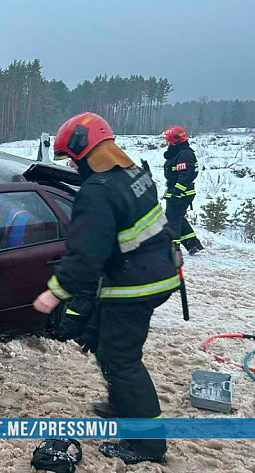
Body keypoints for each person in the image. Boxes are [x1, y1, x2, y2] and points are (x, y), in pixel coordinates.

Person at [33, 112, 180, 465]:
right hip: (157, 270)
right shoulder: (133, 174)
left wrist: (54, 292)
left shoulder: (97, 191)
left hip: (135, 284)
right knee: (106, 346)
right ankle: (122, 405)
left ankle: (147, 444)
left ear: (84, 152)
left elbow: (85, 256)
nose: (72, 164)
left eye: (72, 158)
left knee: (122, 359)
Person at [161, 126, 204, 254]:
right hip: (177, 192)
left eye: (167, 140)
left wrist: (177, 192)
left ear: (175, 140)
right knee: (178, 218)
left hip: (181, 193)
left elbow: (186, 175)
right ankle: (193, 245)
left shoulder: (185, 155)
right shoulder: (178, 153)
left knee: (172, 219)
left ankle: (173, 249)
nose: (166, 143)